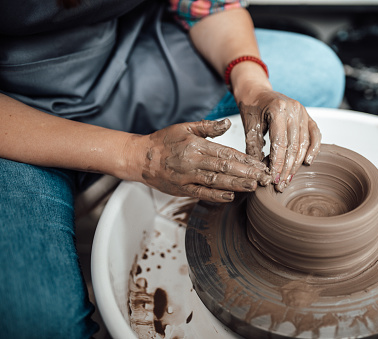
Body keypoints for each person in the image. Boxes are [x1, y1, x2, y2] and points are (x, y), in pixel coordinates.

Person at [0, 0, 344, 337]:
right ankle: (91, 177)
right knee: (42, 324)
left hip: (118, 59)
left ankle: (104, 178)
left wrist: (252, 85)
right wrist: (136, 156)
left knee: (315, 73)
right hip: (18, 112)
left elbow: (210, 6)